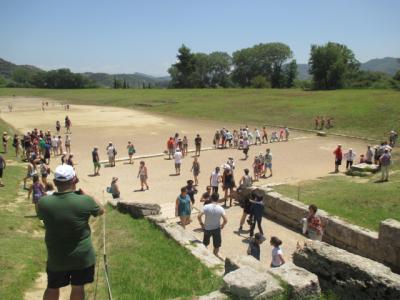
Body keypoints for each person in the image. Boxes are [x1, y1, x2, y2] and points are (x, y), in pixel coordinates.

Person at [38, 164, 104, 300]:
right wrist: (88, 195)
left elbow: (42, 216)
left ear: (55, 182)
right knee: (78, 287)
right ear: (74, 180)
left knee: (52, 287)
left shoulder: (43, 203)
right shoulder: (85, 201)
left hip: (57, 257)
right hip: (82, 257)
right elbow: (101, 210)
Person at [197, 193, 227, 258]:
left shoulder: (206, 207)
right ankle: (215, 256)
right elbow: (225, 220)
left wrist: (201, 224)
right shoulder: (221, 208)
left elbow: (199, 216)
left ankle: (204, 256)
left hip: (207, 228)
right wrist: (222, 225)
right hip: (216, 228)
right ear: (218, 199)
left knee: (205, 243)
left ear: (211, 198)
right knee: (217, 245)